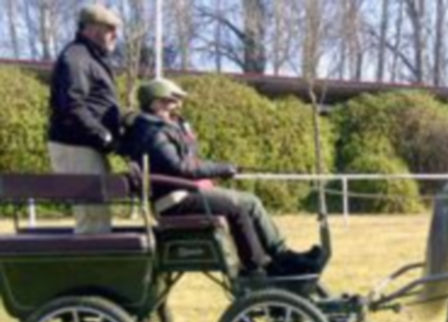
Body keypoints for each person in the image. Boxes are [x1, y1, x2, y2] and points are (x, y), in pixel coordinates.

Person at [119, 78, 326, 277]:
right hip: (174, 199)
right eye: (171, 101)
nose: (177, 105)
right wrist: (221, 169)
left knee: (248, 202)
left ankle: (277, 258)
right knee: (244, 204)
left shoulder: (160, 128)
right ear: (156, 103)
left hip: (184, 192)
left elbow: (188, 163)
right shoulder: (152, 132)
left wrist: (219, 168)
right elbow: (181, 168)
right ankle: (264, 264)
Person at [48, 4, 122, 234]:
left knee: (98, 213)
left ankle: (98, 267)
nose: (115, 35)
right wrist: (104, 135)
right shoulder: (76, 58)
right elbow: (73, 106)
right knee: (92, 218)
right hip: (76, 146)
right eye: (109, 28)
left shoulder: (90, 57)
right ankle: (91, 270)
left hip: (87, 145)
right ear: (90, 28)